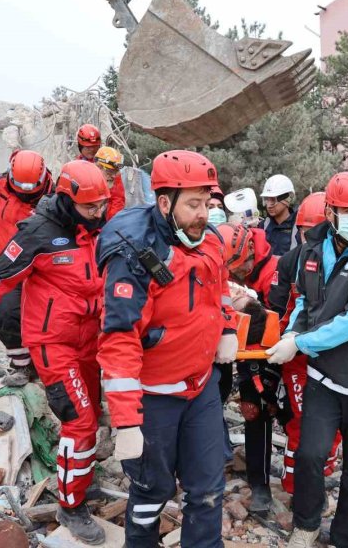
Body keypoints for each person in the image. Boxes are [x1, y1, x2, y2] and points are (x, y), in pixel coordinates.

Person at [0, 160, 110, 543]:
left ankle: (82, 481)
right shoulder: (36, 234)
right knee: (79, 421)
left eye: (102, 205)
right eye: (91, 206)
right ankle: (70, 506)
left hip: (90, 340)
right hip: (53, 344)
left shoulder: (96, 229)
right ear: (67, 197)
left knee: (93, 412)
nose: (99, 213)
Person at [96, 150, 238, 547]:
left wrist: (225, 327)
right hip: (154, 397)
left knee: (208, 489)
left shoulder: (207, 239)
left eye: (207, 203)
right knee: (150, 492)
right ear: (164, 203)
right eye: (193, 204)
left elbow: (219, 289)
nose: (203, 214)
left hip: (200, 388)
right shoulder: (134, 256)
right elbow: (119, 339)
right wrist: (125, 421)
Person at [266, 171, 348, 548]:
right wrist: (291, 331)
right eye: (347, 210)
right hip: (324, 379)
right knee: (309, 455)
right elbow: (307, 302)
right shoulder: (313, 250)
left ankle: (344, 539)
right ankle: (306, 527)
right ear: (330, 211)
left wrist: (301, 344)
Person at [266, 192, 341, 495]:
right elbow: (277, 309)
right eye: (304, 233)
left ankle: (318, 481)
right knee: (300, 424)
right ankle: (297, 490)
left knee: (332, 427)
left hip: (333, 357)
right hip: (296, 357)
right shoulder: (289, 263)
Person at [218, 223, 281, 515]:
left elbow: (278, 318)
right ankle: (233, 469)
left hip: (268, 350)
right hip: (234, 347)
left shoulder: (276, 271)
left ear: (249, 253)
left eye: (237, 266)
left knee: (260, 410)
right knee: (234, 407)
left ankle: (262, 483)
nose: (234, 273)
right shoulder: (224, 269)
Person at [0, 149, 53, 385]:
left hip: (42, 269)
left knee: (47, 319)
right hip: (8, 268)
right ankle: (22, 365)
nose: (25, 194)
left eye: (31, 190)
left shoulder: (56, 197)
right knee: (4, 313)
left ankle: (47, 363)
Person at [259, 174, 296, 256]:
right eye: (266, 199)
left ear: (287, 199)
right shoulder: (263, 226)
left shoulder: (298, 227)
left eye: (273, 200)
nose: (269, 205)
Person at [93, 145, 126, 220]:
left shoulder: (115, 179)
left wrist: (112, 223)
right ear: (98, 167)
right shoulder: (84, 182)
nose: (114, 176)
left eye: (116, 171)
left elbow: (117, 201)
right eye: (110, 172)